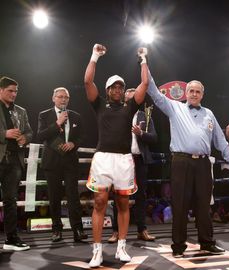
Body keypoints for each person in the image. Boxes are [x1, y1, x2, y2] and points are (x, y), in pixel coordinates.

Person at [147, 73, 229, 257]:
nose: (194, 94)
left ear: (202, 94)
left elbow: (221, 141)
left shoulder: (209, 114)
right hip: (181, 162)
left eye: (197, 92)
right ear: (186, 93)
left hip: (202, 164)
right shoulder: (175, 107)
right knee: (180, 205)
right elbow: (153, 92)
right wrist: (144, 63)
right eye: (191, 91)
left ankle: (207, 243)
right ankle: (178, 246)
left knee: (203, 206)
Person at [84, 44, 149, 268]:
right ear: (108, 90)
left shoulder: (130, 107)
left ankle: (122, 247)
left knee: (123, 204)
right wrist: (95, 56)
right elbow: (87, 82)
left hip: (123, 159)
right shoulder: (99, 104)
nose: (118, 90)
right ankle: (97, 251)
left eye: (121, 87)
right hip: (103, 158)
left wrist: (142, 58)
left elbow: (145, 84)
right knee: (100, 203)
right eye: (113, 87)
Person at [37, 87, 87, 242]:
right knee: (54, 198)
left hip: (70, 161)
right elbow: (41, 136)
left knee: (73, 197)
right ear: (53, 98)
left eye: (66, 97)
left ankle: (77, 230)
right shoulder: (44, 115)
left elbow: (81, 136)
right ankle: (56, 230)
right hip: (52, 162)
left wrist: (74, 143)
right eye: (60, 97)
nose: (63, 99)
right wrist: (57, 123)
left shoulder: (76, 116)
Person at [108, 88, 157, 244]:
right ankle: (116, 231)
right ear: (124, 100)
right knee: (119, 196)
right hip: (122, 160)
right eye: (128, 98)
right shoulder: (118, 113)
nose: (131, 101)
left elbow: (154, 138)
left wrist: (140, 133)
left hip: (139, 160)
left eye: (134, 98)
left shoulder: (145, 116)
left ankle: (142, 230)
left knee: (141, 196)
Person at [0, 76, 33, 251]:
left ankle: (11, 239)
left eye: (16, 91)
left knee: (11, 200)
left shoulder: (21, 111)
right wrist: (4, 134)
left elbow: (29, 132)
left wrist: (23, 139)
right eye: (10, 91)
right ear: (0, 90)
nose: (14, 94)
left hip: (13, 160)